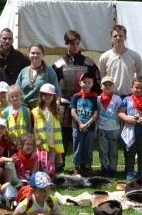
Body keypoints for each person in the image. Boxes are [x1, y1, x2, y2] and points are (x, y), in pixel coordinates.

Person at [53, 29, 101, 157]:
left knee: (83, 135)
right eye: (72, 44)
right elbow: (53, 86)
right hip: (64, 104)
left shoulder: (89, 64)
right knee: (63, 135)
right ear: (66, 44)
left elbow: (97, 85)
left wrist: (93, 101)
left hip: (84, 104)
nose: (75, 46)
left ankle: (82, 163)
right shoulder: (58, 65)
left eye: (77, 43)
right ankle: (60, 163)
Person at [98, 25, 142, 98]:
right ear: (111, 38)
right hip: (111, 97)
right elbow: (102, 77)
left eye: (121, 36)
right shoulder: (104, 57)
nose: (118, 38)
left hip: (129, 97)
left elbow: (140, 76)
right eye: (115, 36)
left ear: (125, 37)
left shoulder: (135, 56)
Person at [70, 73, 100, 177]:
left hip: (89, 128)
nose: (86, 84)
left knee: (88, 147)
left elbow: (95, 113)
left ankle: (87, 167)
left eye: (89, 82)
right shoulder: (76, 96)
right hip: (77, 127)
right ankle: (77, 167)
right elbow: (73, 112)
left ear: (92, 84)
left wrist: (87, 124)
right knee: (77, 147)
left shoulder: (94, 97)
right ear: (80, 83)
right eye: (84, 82)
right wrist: (80, 124)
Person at [32, 83, 64, 175]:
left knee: (51, 161)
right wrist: (36, 139)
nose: (48, 97)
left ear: (53, 96)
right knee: (41, 160)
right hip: (42, 142)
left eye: (50, 94)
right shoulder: (37, 110)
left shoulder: (56, 110)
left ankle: (50, 177)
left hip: (52, 142)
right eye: (45, 94)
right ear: (41, 95)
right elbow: (35, 126)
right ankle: (41, 177)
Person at [97, 76, 123, 178]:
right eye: (105, 84)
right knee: (103, 150)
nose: (107, 86)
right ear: (101, 86)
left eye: (109, 84)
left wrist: (121, 128)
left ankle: (113, 169)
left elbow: (121, 114)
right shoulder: (98, 99)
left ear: (113, 86)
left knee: (113, 150)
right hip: (102, 128)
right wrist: (95, 129)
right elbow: (96, 115)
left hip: (114, 129)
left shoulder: (117, 99)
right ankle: (104, 168)